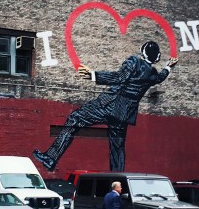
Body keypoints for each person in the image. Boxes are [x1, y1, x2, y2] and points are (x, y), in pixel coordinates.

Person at [33, 41, 178, 172]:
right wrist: (168, 66)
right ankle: (118, 180)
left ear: (142, 51)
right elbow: (161, 77)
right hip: (123, 114)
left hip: (109, 105)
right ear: (156, 57)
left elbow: (119, 78)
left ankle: (51, 157)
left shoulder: (134, 61)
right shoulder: (152, 73)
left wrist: (94, 75)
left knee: (75, 118)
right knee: (117, 147)